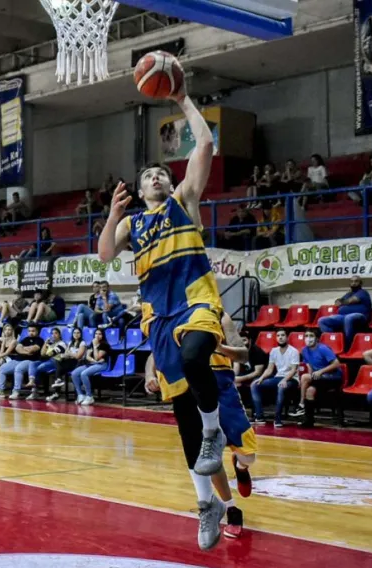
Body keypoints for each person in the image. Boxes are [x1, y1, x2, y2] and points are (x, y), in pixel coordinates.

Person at [98, 84, 229, 492]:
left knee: (194, 358)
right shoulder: (131, 223)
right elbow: (105, 254)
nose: (156, 177)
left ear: (170, 185)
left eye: (161, 175)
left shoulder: (183, 201)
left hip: (196, 302)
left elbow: (205, 144)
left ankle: (215, 432)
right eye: (148, 176)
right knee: (184, 416)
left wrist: (182, 99)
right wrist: (112, 215)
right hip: (159, 318)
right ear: (140, 192)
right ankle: (207, 503)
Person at [145, 312, 258, 545]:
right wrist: (149, 375)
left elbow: (243, 354)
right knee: (206, 457)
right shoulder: (171, 317)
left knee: (249, 455)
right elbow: (154, 354)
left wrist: (219, 347)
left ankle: (241, 467)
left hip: (222, 386)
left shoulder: (219, 317)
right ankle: (231, 509)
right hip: (188, 388)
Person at [249, 329, 299, 428]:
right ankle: (259, 416)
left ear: (287, 337)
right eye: (278, 336)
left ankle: (278, 418)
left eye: (283, 335)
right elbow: (269, 369)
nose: (280, 337)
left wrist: (284, 380)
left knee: (281, 387)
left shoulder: (294, 351)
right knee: (255, 385)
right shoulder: (273, 351)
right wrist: (261, 378)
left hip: (292, 379)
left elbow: (293, 370)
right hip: (278, 377)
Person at [295, 329, 342, 428]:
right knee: (309, 391)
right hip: (318, 378)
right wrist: (309, 380)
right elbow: (310, 367)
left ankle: (301, 404)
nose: (308, 338)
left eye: (311, 336)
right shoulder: (304, 350)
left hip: (333, 377)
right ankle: (309, 421)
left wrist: (321, 371)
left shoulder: (323, 348)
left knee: (304, 377)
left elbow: (336, 364)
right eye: (306, 336)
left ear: (317, 338)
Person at [0, 324, 44, 400]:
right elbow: (18, 348)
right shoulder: (25, 339)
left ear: (37, 331)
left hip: (31, 361)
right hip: (18, 360)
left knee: (18, 368)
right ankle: (0, 391)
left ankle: (16, 391)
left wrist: (23, 348)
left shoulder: (40, 340)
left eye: (33, 331)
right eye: (29, 331)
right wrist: (26, 351)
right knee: (2, 368)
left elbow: (34, 349)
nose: (31, 333)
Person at [318, 275, 372, 348]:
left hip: (361, 317)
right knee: (322, 320)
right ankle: (334, 343)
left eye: (356, 281)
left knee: (348, 318)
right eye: (352, 281)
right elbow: (337, 302)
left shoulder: (363, 292)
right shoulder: (348, 294)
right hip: (343, 316)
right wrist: (342, 301)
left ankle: (348, 346)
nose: (353, 283)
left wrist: (343, 302)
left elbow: (350, 301)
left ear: (360, 283)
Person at [72, 327, 110, 406]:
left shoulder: (104, 345)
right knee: (74, 373)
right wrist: (94, 360)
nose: (97, 336)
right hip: (93, 363)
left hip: (102, 365)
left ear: (103, 335)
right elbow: (87, 356)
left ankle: (89, 396)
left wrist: (95, 346)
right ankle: (80, 395)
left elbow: (97, 357)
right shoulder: (92, 343)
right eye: (96, 334)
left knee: (84, 374)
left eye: (100, 334)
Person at [25, 327, 67, 399]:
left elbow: (50, 354)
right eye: (52, 333)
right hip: (47, 360)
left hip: (56, 362)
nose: (53, 335)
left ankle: (34, 391)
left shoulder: (62, 343)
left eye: (56, 333)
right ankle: (31, 381)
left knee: (39, 368)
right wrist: (45, 343)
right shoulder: (50, 343)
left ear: (59, 335)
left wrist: (46, 351)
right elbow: (42, 354)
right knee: (32, 363)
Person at [48, 327, 87, 402]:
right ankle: (57, 385)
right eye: (74, 333)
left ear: (80, 334)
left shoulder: (82, 343)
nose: (76, 334)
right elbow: (66, 354)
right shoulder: (70, 343)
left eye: (78, 333)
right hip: (70, 361)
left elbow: (78, 356)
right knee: (58, 363)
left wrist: (70, 354)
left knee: (58, 369)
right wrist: (68, 355)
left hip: (78, 363)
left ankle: (57, 391)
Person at [234, 332, 266, 408]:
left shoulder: (257, 352)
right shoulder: (238, 351)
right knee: (233, 383)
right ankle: (238, 406)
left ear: (250, 341)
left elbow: (258, 372)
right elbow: (236, 371)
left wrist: (240, 378)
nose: (242, 343)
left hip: (260, 376)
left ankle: (253, 406)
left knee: (254, 383)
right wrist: (233, 378)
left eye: (244, 340)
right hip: (246, 374)